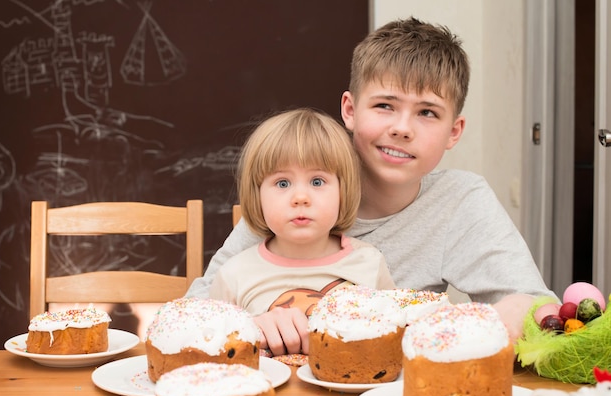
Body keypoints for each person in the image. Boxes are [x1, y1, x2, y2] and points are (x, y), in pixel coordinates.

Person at [187, 17, 556, 353]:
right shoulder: (293, 197)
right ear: (350, 110)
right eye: (384, 105)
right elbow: (193, 313)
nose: (402, 128)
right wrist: (249, 325)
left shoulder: (460, 200)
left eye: (427, 112)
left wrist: (512, 311)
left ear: (453, 132)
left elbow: (536, 307)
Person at [207, 108, 396, 357]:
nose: (300, 198)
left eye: (317, 182)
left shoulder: (370, 262)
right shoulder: (233, 275)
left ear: (344, 190)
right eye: (282, 183)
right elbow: (212, 348)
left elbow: (394, 341)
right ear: (257, 195)